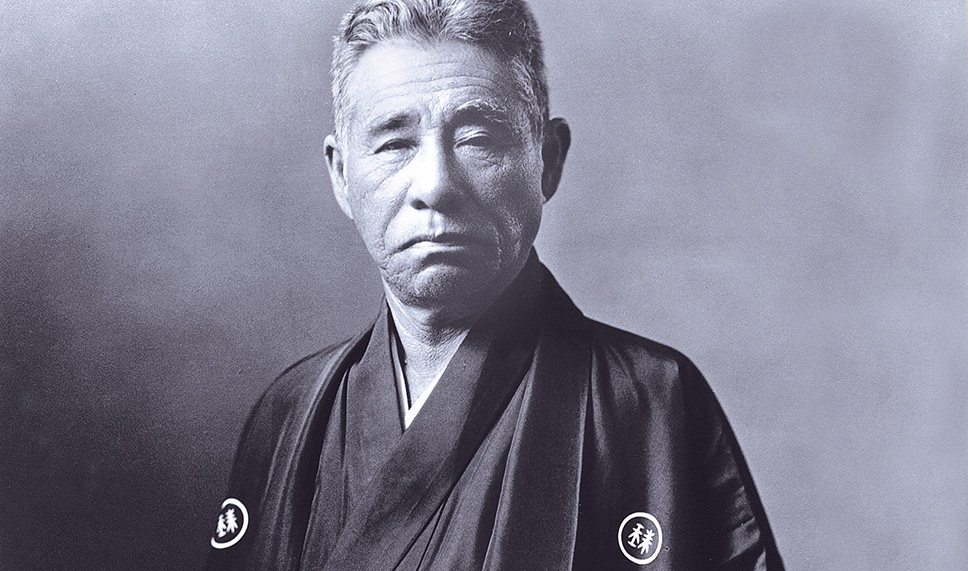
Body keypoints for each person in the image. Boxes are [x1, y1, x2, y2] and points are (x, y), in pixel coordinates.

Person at [205, 0, 784, 569]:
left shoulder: (652, 402)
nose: (435, 184)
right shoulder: (290, 413)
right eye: (395, 143)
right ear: (341, 174)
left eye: (478, 138)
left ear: (547, 160)